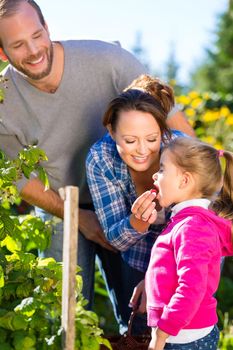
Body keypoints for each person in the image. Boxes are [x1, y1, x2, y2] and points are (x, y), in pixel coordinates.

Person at [0, 0, 194, 310]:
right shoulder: (3, 102)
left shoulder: (107, 60)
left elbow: (171, 121)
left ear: (47, 28)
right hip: (59, 204)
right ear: (2, 52)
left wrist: (202, 192)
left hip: (127, 196)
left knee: (140, 309)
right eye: (19, 45)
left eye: (38, 35)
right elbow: (19, 180)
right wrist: (78, 217)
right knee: (64, 312)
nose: (34, 50)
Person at [86, 75, 188, 334]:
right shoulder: (101, 158)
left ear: (162, 132)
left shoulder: (182, 150)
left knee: (185, 328)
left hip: (185, 257)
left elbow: (200, 226)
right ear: (111, 131)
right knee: (138, 330)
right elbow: (116, 238)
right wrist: (137, 222)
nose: (142, 150)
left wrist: (159, 274)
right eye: (130, 141)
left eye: (152, 139)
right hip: (135, 255)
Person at [132, 137, 233, 350]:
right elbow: (174, 270)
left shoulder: (193, 227)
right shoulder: (186, 221)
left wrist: (162, 333)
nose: (154, 175)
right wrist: (150, 281)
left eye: (162, 169)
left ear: (184, 181)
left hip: (184, 338)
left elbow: (191, 286)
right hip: (181, 334)